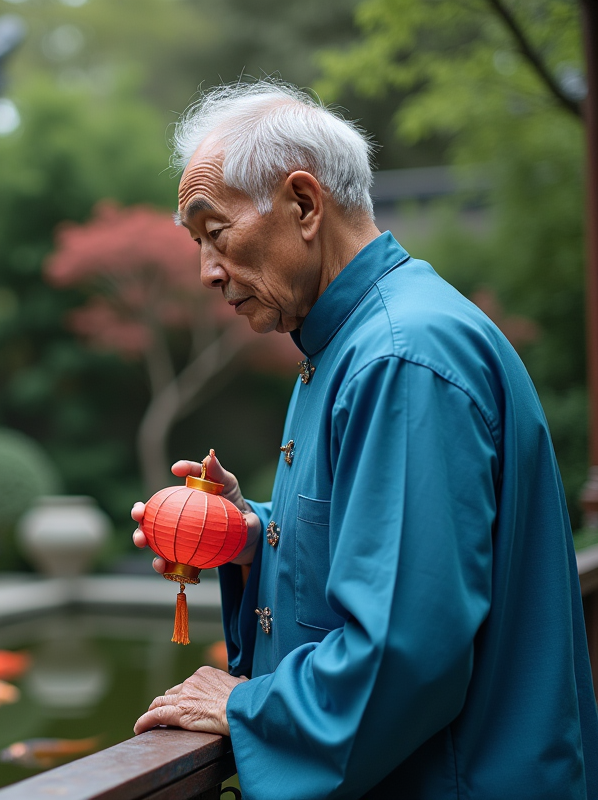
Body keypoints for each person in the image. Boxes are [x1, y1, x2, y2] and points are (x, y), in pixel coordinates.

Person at [129, 80, 598, 798]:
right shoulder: (359, 340)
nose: (207, 272)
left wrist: (243, 703)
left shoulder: (398, 356)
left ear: (305, 204)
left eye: (215, 233)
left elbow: (407, 648)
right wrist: (254, 537)